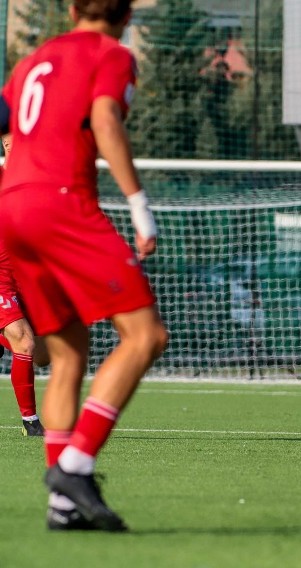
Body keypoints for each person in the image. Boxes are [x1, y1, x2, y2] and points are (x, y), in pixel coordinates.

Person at [0, 0, 169, 531]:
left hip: (12, 209)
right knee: (145, 336)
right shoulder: (111, 53)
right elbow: (104, 121)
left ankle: (63, 507)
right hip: (61, 202)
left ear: (72, 9)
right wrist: (140, 205)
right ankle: (74, 467)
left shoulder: (33, 60)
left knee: (69, 351)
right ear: (125, 13)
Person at [0, 134, 49, 436]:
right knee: (24, 340)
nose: (11, 147)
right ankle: (31, 423)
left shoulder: (43, 184)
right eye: (6, 144)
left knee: (42, 354)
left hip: (26, 280)